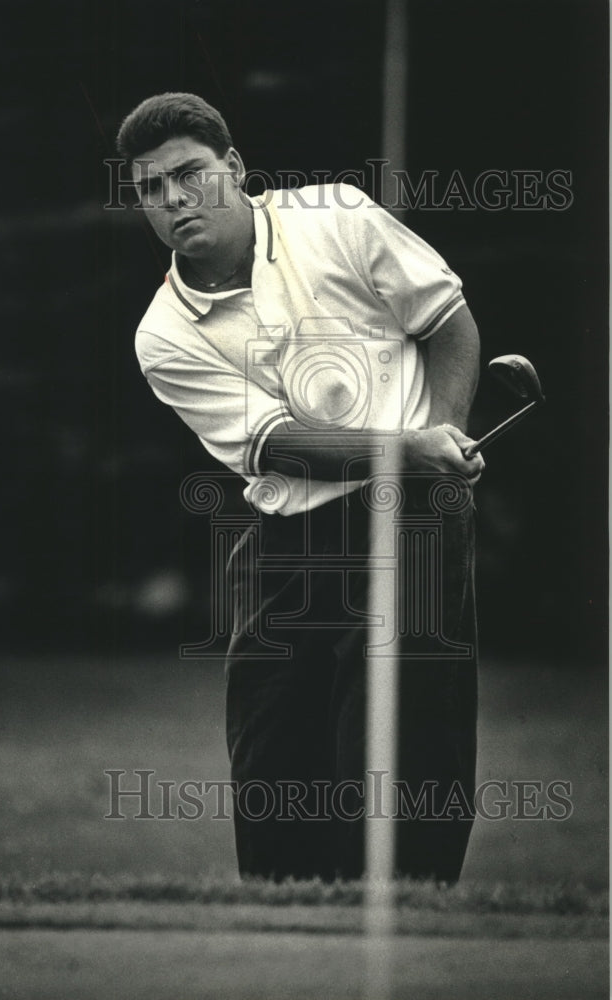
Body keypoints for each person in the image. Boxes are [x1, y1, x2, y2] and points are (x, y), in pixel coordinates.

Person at [116, 92, 484, 883]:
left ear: (236, 170)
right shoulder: (164, 334)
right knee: (272, 764)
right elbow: (280, 444)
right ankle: (290, 958)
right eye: (151, 190)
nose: (174, 200)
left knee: (403, 757)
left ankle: (411, 941)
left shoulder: (338, 217)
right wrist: (410, 449)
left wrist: (442, 445)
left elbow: (448, 322)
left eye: (189, 175)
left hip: (412, 525)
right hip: (288, 545)